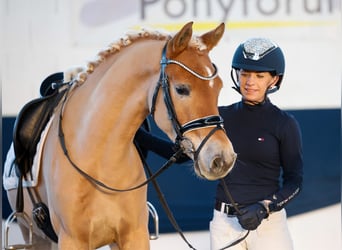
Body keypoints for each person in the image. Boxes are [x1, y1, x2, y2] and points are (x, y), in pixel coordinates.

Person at [135, 37, 303, 250]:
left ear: (274, 80)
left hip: (270, 225)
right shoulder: (219, 117)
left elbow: (294, 180)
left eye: (259, 76)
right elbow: (179, 155)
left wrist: (265, 208)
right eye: (245, 74)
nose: (250, 82)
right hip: (225, 224)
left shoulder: (285, 124)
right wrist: (141, 137)